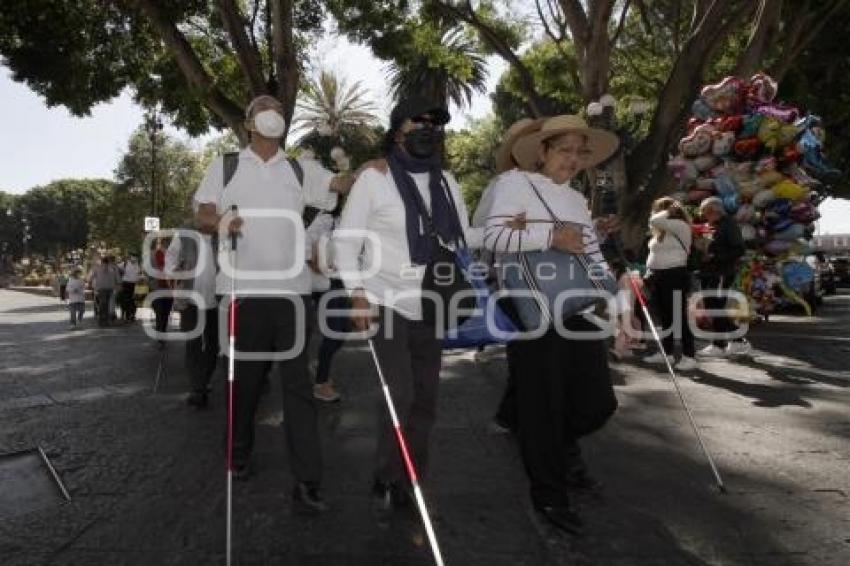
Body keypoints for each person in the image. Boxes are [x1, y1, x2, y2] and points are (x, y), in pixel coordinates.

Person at [194, 94, 371, 512]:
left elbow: (337, 185)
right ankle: (236, 457)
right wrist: (220, 221)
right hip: (241, 294)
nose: (272, 111)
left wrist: (364, 171)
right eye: (262, 107)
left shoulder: (299, 167)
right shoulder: (225, 166)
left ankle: (308, 480)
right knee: (244, 385)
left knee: (298, 390)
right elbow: (202, 212)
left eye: (278, 107)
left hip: (292, 296)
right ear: (249, 120)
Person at [333, 95, 483, 523]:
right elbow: (348, 239)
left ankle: (411, 474)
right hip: (384, 299)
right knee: (400, 393)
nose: (428, 129)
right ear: (398, 129)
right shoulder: (374, 179)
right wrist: (357, 293)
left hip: (432, 300)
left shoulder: (447, 181)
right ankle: (389, 473)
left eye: (435, 123)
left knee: (426, 398)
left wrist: (504, 228)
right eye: (419, 121)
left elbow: (460, 235)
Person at [483, 114, 620, 534]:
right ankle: (548, 493)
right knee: (543, 404)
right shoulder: (514, 185)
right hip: (530, 303)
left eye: (580, 151)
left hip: (575, 305)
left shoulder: (577, 199)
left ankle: (557, 448)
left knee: (598, 402)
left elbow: (591, 253)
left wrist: (615, 292)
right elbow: (491, 239)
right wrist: (548, 238)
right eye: (564, 149)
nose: (573, 159)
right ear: (542, 153)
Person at [472, 117, 544, 435]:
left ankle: (512, 416)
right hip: (518, 283)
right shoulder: (503, 185)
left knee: (535, 360)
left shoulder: (558, 187)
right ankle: (533, 429)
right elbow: (484, 230)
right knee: (531, 358)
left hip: (555, 285)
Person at [166, 223, 219, 408]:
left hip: (217, 301)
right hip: (190, 301)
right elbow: (170, 257)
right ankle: (198, 388)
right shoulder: (184, 234)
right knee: (193, 344)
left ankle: (203, 380)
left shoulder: (223, 234)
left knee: (214, 345)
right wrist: (174, 270)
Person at [642, 197, 698, 370]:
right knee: (665, 317)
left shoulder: (680, 226)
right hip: (658, 276)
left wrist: (669, 210)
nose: (653, 213)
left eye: (656, 209)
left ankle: (689, 355)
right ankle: (666, 353)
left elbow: (654, 219)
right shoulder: (662, 231)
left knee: (677, 315)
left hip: (674, 275)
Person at [696, 197, 750, 358]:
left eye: (706, 212)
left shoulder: (729, 225)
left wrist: (714, 257)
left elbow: (739, 249)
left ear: (715, 210)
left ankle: (731, 342)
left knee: (716, 308)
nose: (704, 215)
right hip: (709, 272)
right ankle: (724, 343)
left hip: (721, 272)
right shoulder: (713, 226)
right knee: (713, 307)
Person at [306, 208, 347, 403]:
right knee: (334, 333)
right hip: (326, 284)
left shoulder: (345, 220)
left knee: (342, 333)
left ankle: (321, 362)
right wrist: (314, 264)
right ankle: (321, 384)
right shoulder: (324, 219)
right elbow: (305, 244)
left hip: (344, 283)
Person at [89, 256, 121, 327]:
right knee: (106, 305)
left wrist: (92, 285)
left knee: (105, 305)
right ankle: (104, 321)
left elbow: (91, 278)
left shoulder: (98, 268)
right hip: (107, 288)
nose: (105, 265)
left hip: (104, 288)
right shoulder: (113, 268)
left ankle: (104, 321)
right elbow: (118, 279)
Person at [119, 255, 141, 321]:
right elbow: (117, 268)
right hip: (125, 283)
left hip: (134, 284)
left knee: (132, 300)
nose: (134, 259)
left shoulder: (138, 265)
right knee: (126, 300)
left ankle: (131, 314)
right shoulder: (125, 264)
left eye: (135, 258)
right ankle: (124, 314)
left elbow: (139, 273)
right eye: (133, 257)